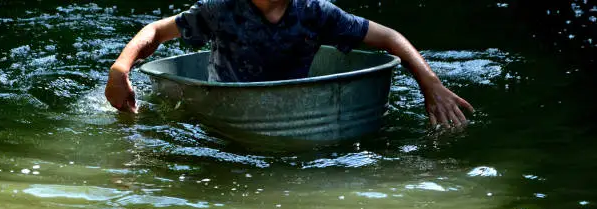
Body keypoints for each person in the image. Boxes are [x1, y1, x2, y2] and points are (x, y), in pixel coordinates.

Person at [105, 0, 474, 130]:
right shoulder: (221, 10)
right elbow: (156, 30)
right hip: (223, 116)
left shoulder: (315, 12)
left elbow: (390, 38)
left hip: (293, 111)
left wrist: (431, 84)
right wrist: (120, 70)